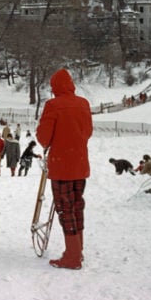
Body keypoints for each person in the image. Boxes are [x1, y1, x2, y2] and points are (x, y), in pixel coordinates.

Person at [36, 68, 92, 270]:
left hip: (61, 166)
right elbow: (88, 132)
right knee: (77, 206)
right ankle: (78, 250)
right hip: (79, 164)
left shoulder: (53, 105)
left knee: (65, 209)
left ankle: (72, 256)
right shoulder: (83, 104)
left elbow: (43, 138)